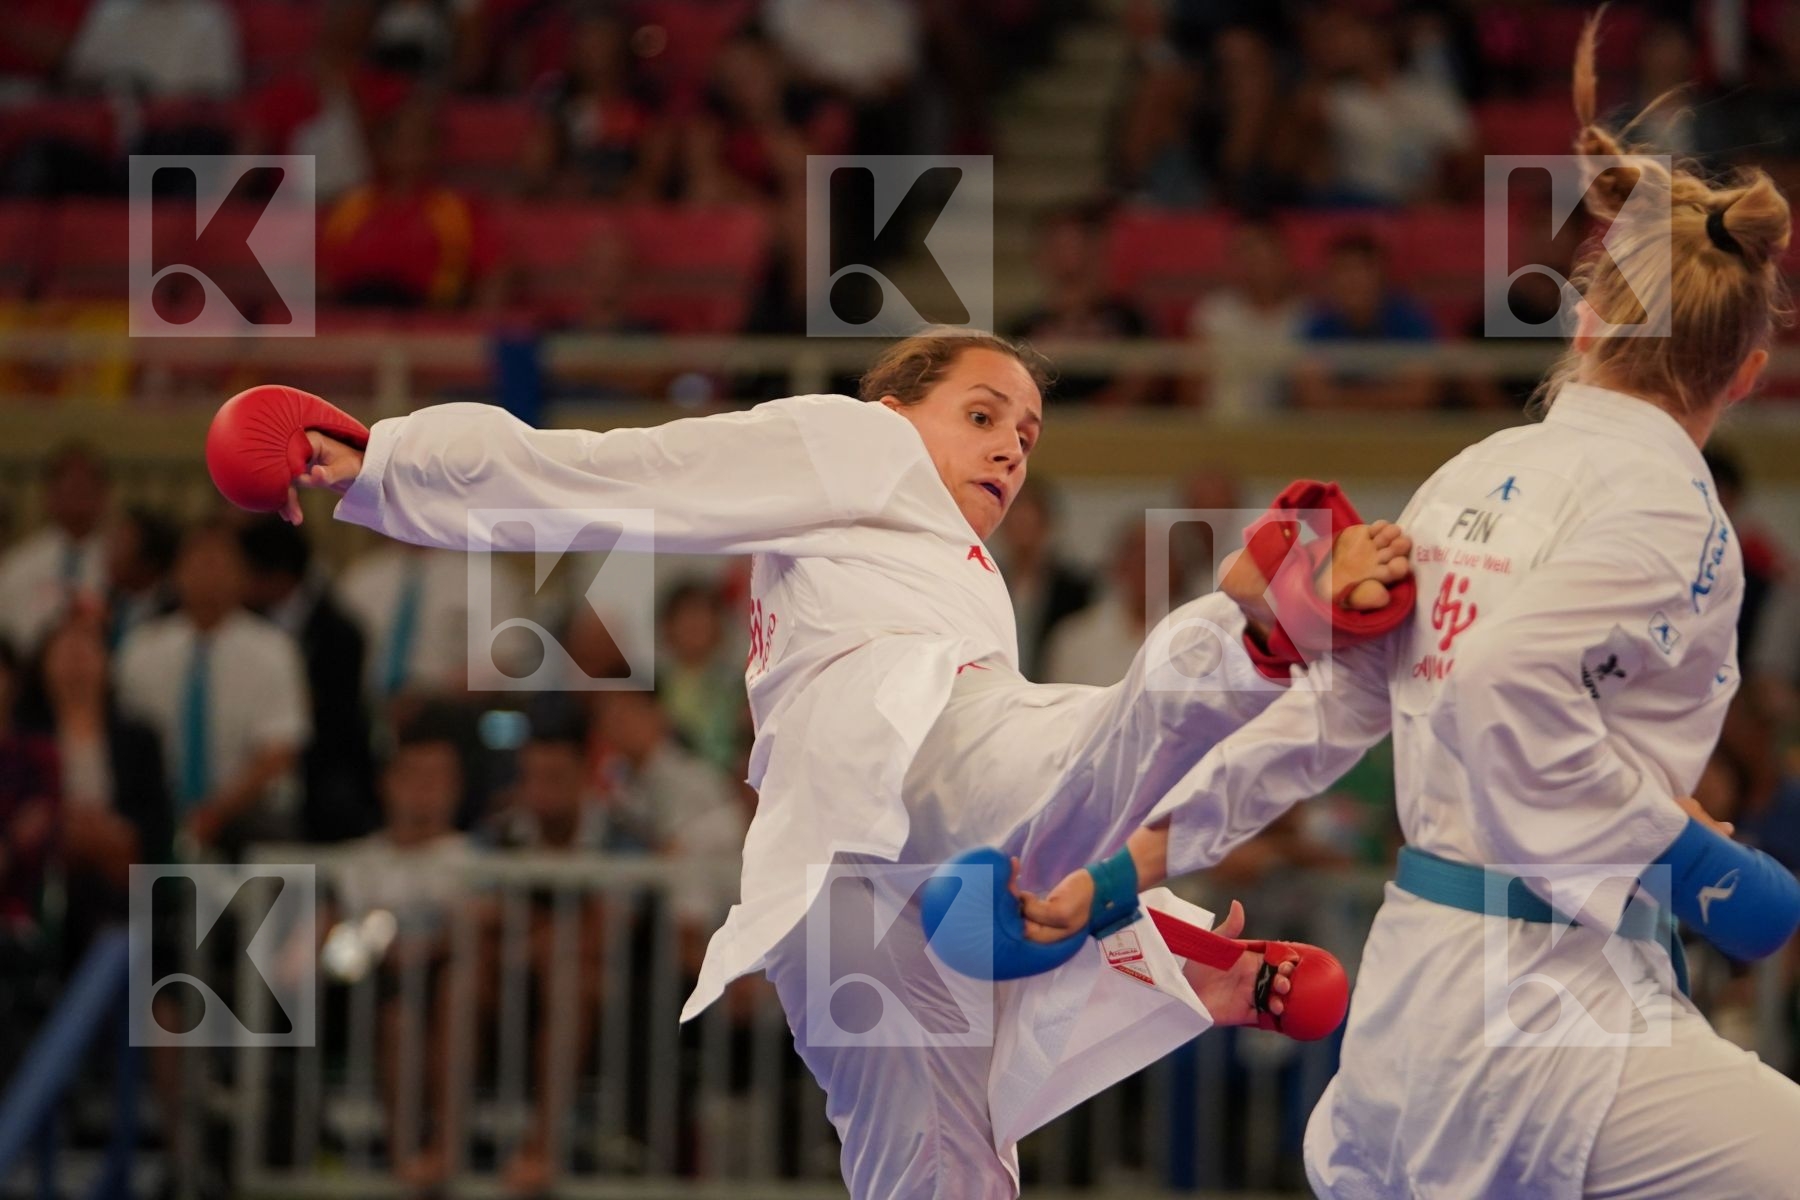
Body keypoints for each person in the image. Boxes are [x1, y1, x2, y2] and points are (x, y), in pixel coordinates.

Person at [269, 330, 1413, 1198]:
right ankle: (1253, 647)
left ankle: (1147, 916)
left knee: (937, 1169)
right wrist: (381, 465)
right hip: (911, 749)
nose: (1013, 443)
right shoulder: (855, 442)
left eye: (1027, 434)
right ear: (894, 406)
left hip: (843, 881)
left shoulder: (959, 563)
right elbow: (620, 472)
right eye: (982, 412)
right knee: (1074, 769)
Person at [1018, 20, 1800, 1197]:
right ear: (1746, 372)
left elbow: (1320, 720)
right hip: (1541, 1023)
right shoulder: (1672, 509)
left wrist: (1124, 870)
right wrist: (1692, 859)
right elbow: (1500, 685)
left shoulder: (1472, 475)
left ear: (1586, 325)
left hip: (1417, 1007)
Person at [116, 521, 310, 855]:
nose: (209, 576)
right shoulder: (141, 649)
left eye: (220, 565)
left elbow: (279, 751)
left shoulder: (274, 651)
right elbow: (126, 740)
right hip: (160, 809)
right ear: (176, 575)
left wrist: (214, 815)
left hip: (249, 814)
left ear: (243, 577)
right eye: (198, 564)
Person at [0, 441, 110, 654]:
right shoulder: (19, 565)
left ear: (103, 495)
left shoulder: (119, 564)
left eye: (86, 487)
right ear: (49, 494)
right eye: (69, 486)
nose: (78, 497)